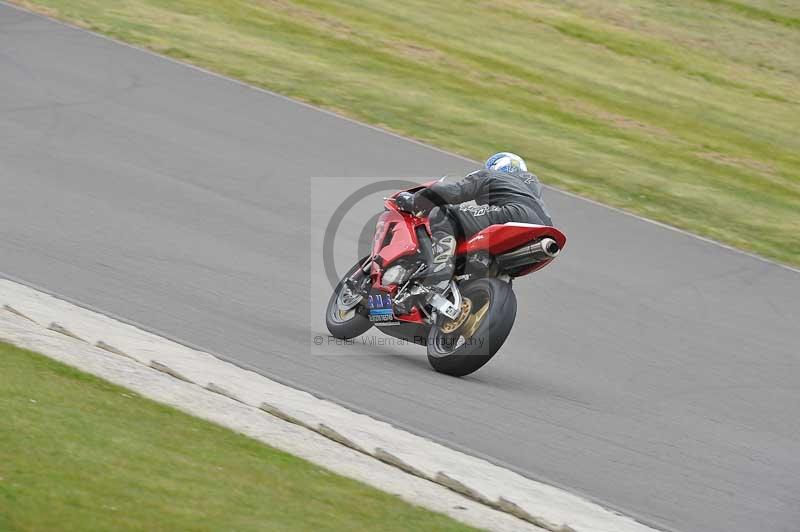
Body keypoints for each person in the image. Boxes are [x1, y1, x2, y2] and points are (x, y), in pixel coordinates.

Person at [395, 152, 552, 287]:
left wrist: (416, 200)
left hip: (513, 214)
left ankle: (441, 264)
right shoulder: (531, 188)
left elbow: (452, 192)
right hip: (545, 230)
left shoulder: (490, 175)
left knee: (444, 214)